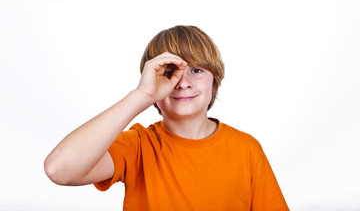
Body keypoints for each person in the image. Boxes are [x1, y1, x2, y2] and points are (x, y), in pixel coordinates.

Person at [44, 25, 289, 210]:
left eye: (196, 70)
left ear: (214, 80)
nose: (183, 83)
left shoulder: (246, 149)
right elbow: (59, 169)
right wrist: (142, 95)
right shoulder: (137, 145)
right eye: (169, 72)